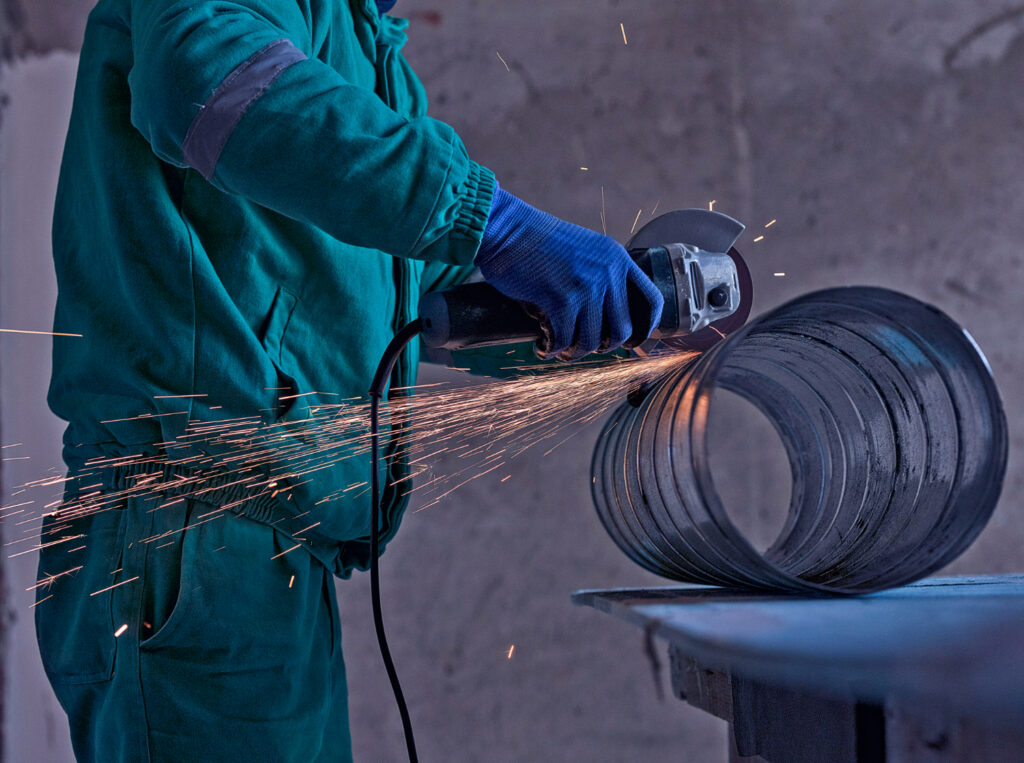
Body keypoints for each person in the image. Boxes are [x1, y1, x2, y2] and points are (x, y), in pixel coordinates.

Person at [35, 1, 663, 761]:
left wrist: (587, 334)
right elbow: (200, 78)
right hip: (190, 533)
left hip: (265, 551)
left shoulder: (365, 50)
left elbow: (419, 296)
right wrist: (498, 223)